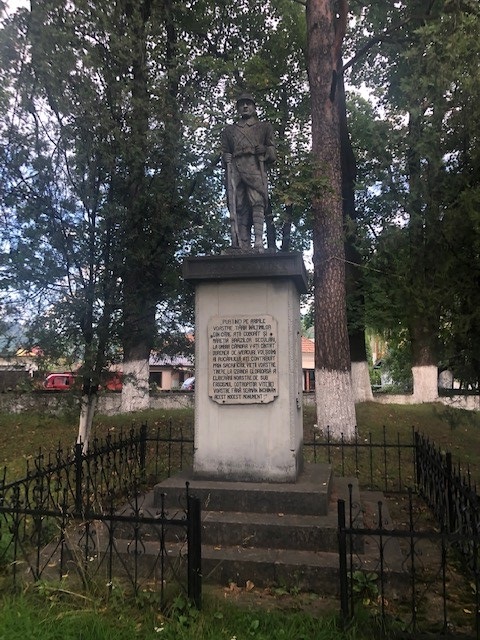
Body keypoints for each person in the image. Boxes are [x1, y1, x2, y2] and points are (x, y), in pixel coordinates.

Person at [221, 94, 276, 250]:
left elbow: (272, 152)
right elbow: (225, 153)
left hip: (254, 167)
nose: (245, 106)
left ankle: (258, 240)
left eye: (248, 104)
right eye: (241, 104)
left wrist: (265, 150)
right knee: (239, 206)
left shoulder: (263, 127)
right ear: (238, 108)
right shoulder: (229, 131)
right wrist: (225, 158)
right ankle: (242, 242)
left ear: (254, 107)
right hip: (236, 169)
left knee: (257, 201)